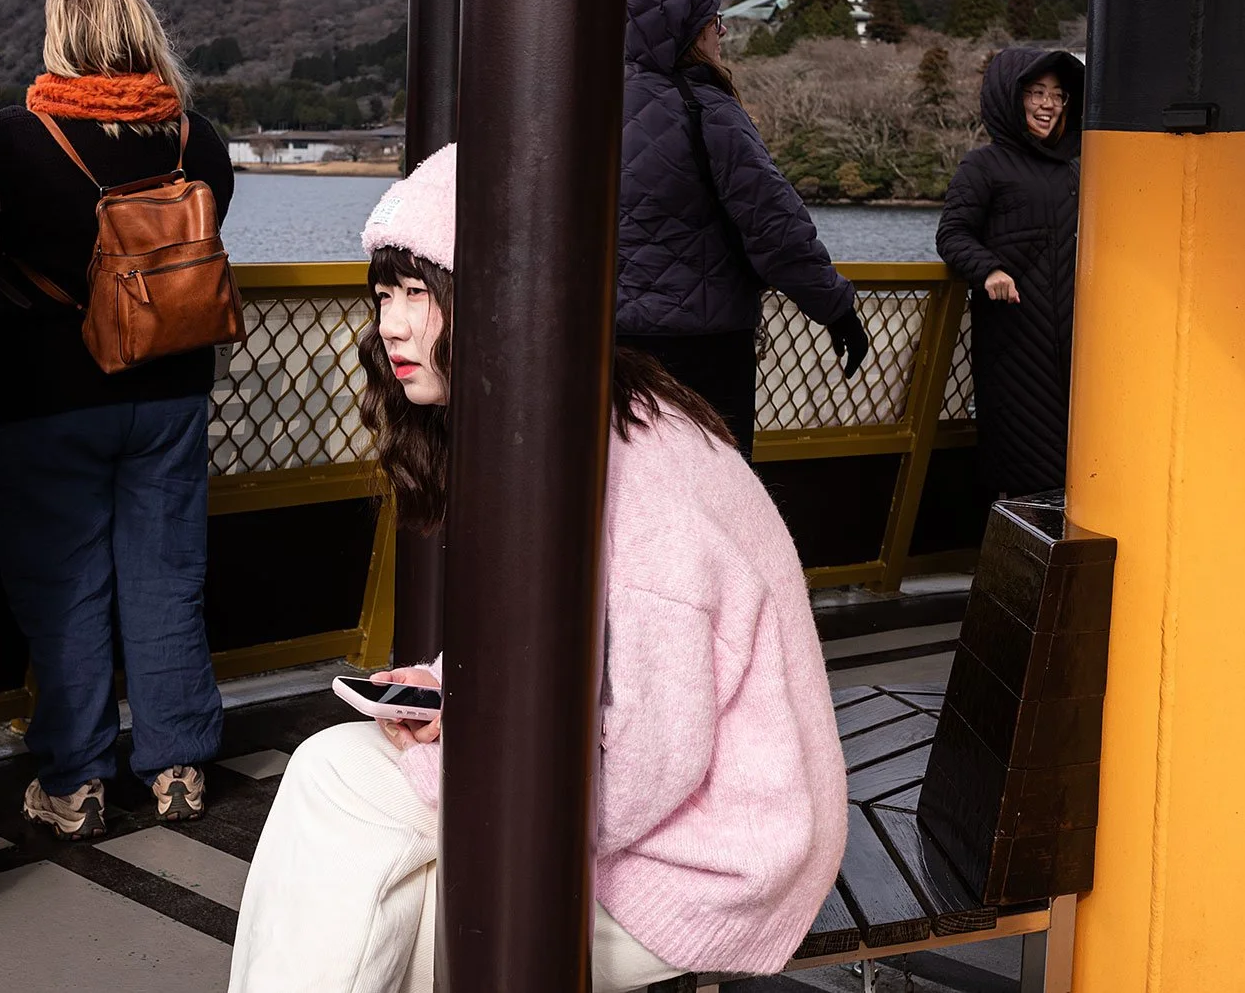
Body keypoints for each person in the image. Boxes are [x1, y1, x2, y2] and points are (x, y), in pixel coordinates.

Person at [226, 145, 848, 993]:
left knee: (355, 838)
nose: (391, 326)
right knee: (339, 816)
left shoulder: (637, 478)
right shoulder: (594, 417)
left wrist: (442, 765)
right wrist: (448, 690)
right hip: (680, 820)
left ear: (499, 300)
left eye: (419, 294)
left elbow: (653, 762)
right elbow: (564, 636)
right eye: (383, 296)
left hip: (710, 858)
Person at [0, 0, 234, 839]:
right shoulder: (197, 141)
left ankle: (76, 780)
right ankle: (179, 764)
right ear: (141, 32)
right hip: (170, 391)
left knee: (65, 589)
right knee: (168, 579)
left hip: (47, 396)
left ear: (60, 37)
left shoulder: (8, 142)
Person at [616, 0, 868, 458]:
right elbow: (774, 226)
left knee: (621, 476)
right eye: (714, 21)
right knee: (713, 480)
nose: (722, 33)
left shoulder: (577, 106)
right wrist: (836, 309)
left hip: (603, 339)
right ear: (689, 31)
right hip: (703, 343)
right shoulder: (704, 109)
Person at [934, 48, 1086, 496]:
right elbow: (952, 234)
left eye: (1057, 95)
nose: (1048, 104)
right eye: (1036, 93)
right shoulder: (984, 165)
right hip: (1014, 341)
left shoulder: (1076, 169)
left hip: (1076, 345)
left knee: (1078, 465)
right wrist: (990, 271)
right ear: (1010, 98)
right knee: (1024, 463)